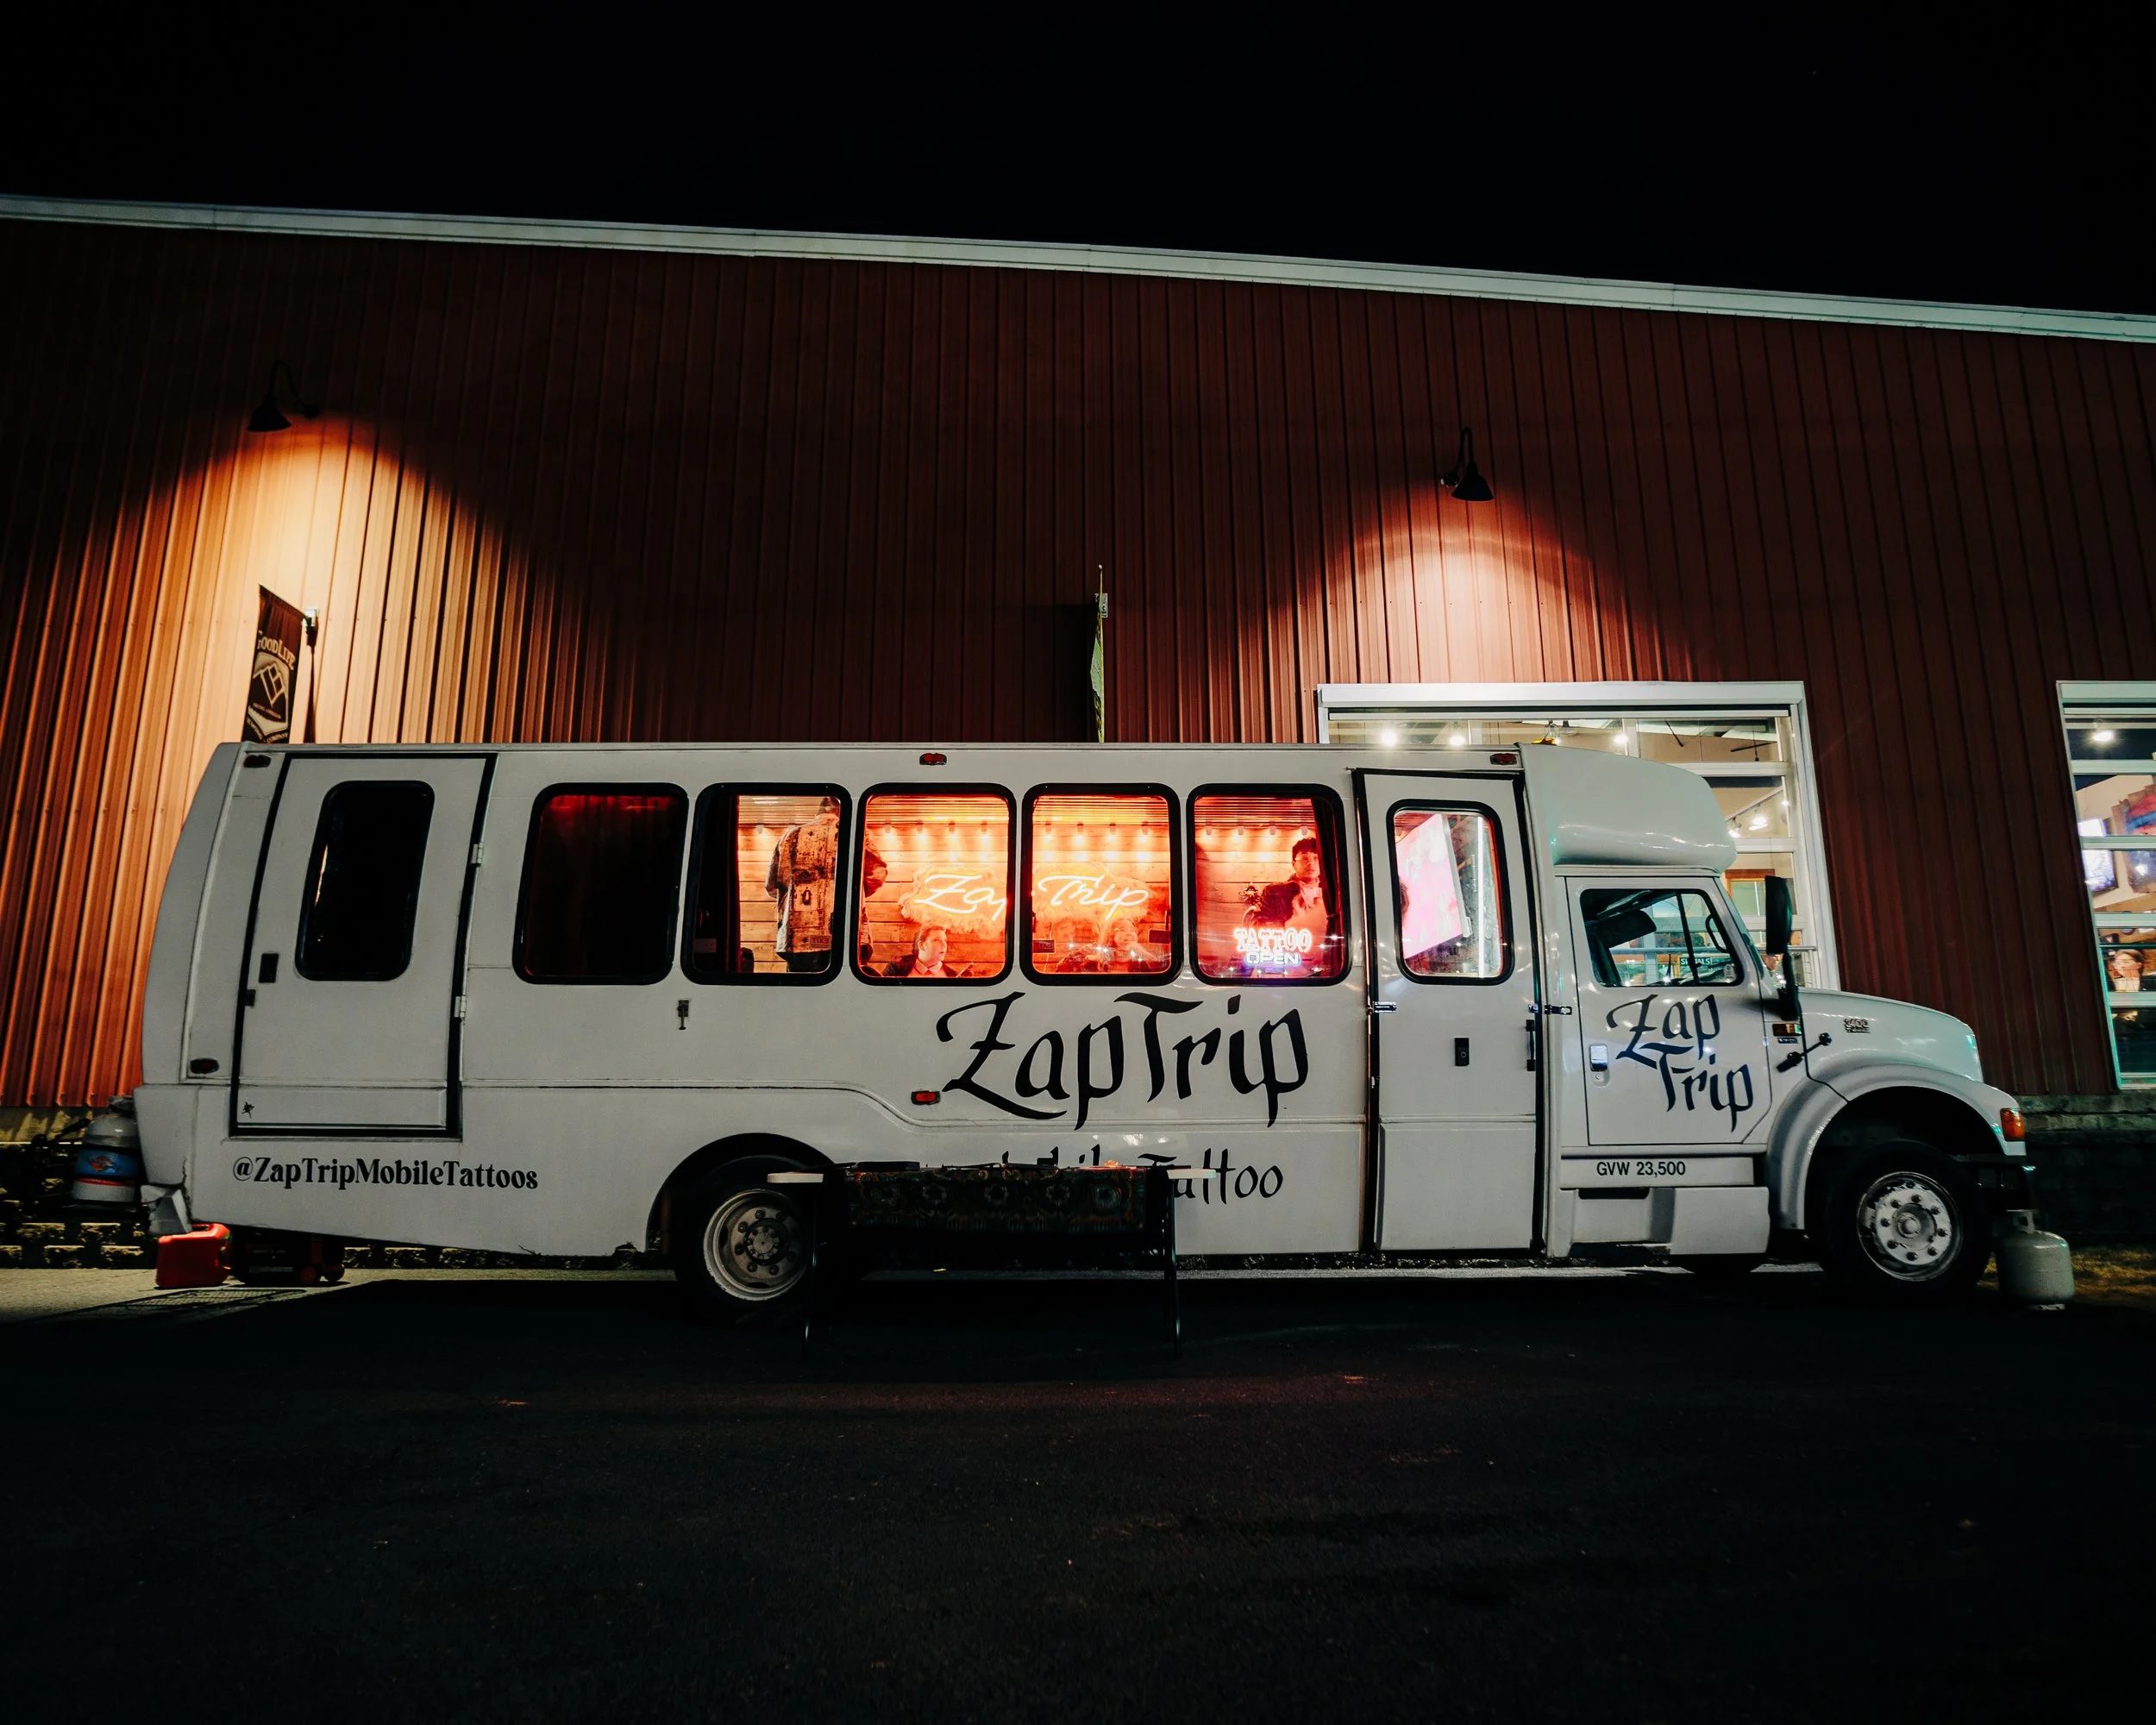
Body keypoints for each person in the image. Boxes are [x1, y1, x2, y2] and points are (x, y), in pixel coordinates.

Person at [767, 806, 841, 974]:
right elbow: (875, 875)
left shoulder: (790, 836)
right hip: (843, 936)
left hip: (797, 939)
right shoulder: (858, 836)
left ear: (817, 813)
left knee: (800, 985)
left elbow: (772, 886)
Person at [1246, 835, 1331, 973]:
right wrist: (1292, 926)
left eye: (1316, 858)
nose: (1311, 863)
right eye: (1305, 858)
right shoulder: (1274, 891)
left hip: (1325, 965)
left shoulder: (1332, 892)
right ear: (1293, 863)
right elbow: (1257, 927)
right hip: (1285, 963)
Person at [887, 924, 961, 979]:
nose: (944, 945)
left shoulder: (952, 975)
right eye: (937, 940)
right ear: (921, 945)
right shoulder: (896, 967)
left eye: (945, 940)